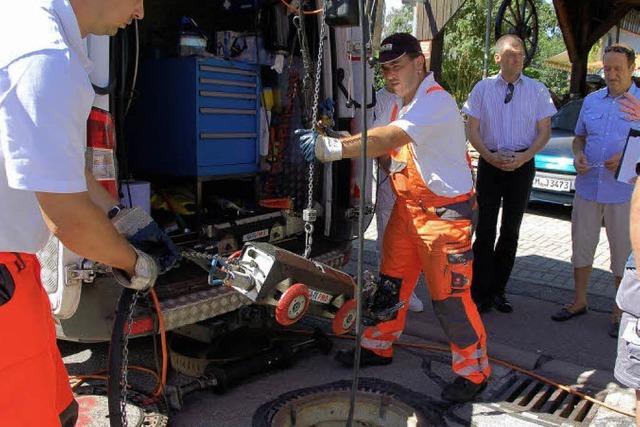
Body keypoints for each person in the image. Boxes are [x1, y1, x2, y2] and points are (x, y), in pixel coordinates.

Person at [0, 0, 178, 425]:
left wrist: (119, 217)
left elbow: (60, 166)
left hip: (18, 276)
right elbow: (66, 219)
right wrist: (136, 263)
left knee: (59, 410)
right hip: (4, 278)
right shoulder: (45, 55)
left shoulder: (27, 24)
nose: (139, 14)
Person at [297, 33, 489, 403]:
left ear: (420, 63)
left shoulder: (436, 103)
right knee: (391, 284)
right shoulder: (406, 104)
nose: (389, 75)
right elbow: (382, 144)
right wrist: (338, 135)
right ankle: (377, 346)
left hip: (443, 220)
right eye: (385, 69)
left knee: (449, 298)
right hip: (409, 210)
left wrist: (334, 147)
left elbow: (386, 138)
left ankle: (474, 372)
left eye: (396, 66)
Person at [462, 34, 556, 314]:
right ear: (497, 58)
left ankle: (498, 290)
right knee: (486, 228)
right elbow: (472, 130)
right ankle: (479, 291)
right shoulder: (483, 88)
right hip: (491, 164)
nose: (517, 58)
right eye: (511, 53)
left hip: (522, 165)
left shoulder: (538, 90)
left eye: (520, 54)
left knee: (510, 231)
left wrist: (523, 158)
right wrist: (489, 157)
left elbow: (545, 132)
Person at [551, 44, 638, 339]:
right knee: (582, 245)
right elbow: (579, 139)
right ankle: (579, 301)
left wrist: (629, 158)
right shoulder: (591, 101)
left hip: (624, 193)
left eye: (618, 69)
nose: (611, 75)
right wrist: (577, 156)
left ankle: (619, 310)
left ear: (632, 69)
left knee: (622, 254)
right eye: (607, 68)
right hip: (588, 187)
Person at [373, 84, 423, 313]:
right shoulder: (381, 99)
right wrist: (389, 166)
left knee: (412, 235)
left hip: (416, 180)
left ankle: (405, 288)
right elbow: (376, 138)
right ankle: (388, 289)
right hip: (391, 176)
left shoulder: (421, 97)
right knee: (388, 234)